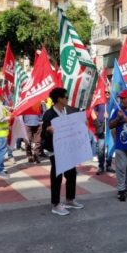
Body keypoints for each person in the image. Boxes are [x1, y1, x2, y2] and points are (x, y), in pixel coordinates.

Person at [41, 87, 84, 216]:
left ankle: (70, 199)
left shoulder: (69, 110)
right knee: (57, 176)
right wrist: (50, 129)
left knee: (71, 173)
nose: (67, 98)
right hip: (55, 149)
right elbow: (44, 131)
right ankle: (56, 204)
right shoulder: (49, 113)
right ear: (59, 99)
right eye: (65, 97)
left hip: (68, 148)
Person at [93, 90, 113, 174]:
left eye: (109, 92)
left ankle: (108, 165)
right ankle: (101, 166)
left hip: (110, 127)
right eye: (106, 92)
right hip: (102, 127)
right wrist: (97, 122)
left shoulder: (113, 103)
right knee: (101, 148)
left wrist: (109, 116)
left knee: (110, 148)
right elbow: (92, 112)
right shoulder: (100, 102)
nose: (107, 94)